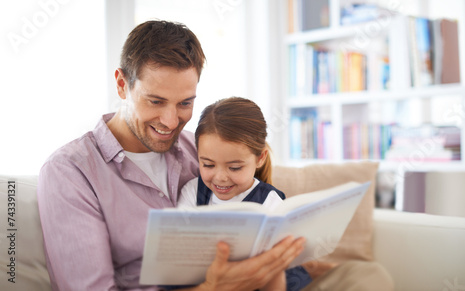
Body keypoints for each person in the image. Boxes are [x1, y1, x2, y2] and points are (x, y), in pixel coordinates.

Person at [37, 20, 305, 291]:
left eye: (185, 103)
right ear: (122, 84)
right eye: (155, 101)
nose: (170, 121)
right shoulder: (70, 172)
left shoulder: (199, 150)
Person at [176, 96, 310, 290]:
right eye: (208, 164)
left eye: (235, 168)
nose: (220, 177)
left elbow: (277, 270)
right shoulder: (192, 191)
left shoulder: (271, 201)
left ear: (260, 158)